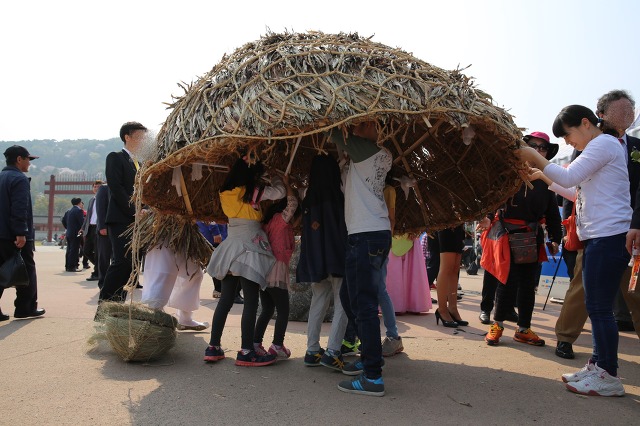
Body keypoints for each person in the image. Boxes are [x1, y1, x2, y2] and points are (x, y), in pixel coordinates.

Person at [517, 105, 630, 397]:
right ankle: (599, 366)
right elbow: (574, 189)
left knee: (600, 309)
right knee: (596, 307)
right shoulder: (602, 146)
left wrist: (534, 156)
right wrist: (542, 176)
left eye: (567, 136)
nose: (569, 143)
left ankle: (608, 374)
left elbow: (568, 178)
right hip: (600, 236)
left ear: (584, 123)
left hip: (608, 236)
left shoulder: (603, 143)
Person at [555, 90, 640, 360]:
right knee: (586, 291)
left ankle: (603, 367)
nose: (628, 114)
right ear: (599, 115)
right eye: (621, 109)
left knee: (633, 291)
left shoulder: (633, 146)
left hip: (625, 227)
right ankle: (567, 338)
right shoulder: (591, 146)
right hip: (597, 230)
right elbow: (576, 184)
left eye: (631, 109)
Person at [479, 131, 562, 347]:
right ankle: (496, 325)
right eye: (533, 145)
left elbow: (553, 212)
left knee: (527, 285)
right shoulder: (508, 174)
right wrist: (487, 218)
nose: (537, 150)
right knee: (505, 281)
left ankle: (524, 328)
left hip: (532, 237)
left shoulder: (545, 180)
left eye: (542, 147)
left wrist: (555, 238)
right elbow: (493, 200)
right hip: (507, 236)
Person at [204, 156, 286, 367]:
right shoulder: (253, 190)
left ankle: (213, 346)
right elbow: (280, 192)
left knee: (226, 299)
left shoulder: (225, 192)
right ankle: (247, 351)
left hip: (230, 246)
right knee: (251, 301)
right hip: (250, 248)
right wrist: (276, 176)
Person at [330, 122, 391, 397]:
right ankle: (370, 355)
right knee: (348, 296)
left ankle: (373, 377)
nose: (354, 129)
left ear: (375, 129)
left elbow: (330, 129)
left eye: (362, 124)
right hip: (372, 233)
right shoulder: (372, 155)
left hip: (365, 235)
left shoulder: (367, 150)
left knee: (363, 304)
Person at [297, 154, 349, 371]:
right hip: (336, 257)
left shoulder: (308, 199)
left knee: (318, 301)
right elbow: (341, 230)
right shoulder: (337, 197)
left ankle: (312, 350)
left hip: (316, 259)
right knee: (342, 304)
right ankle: (333, 351)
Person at [99, 122, 147, 303]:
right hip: (121, 218)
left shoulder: (139, 162)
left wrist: (145, 209)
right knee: (121, 262)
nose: (144, 141)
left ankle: (117, 305)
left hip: (138, 220)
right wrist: (134, 210)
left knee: (131, 265)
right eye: (140, 137)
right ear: (127, 137)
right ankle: (105, 305)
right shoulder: (115, 157)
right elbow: (116, 188)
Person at [254, 175, 299, 359]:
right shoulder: (281, 220)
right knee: (283, 310)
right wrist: (288, 185)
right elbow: (292, 204)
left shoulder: (269, 222)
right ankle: (277, 345)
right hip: (276, 270)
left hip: (265, 270)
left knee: (267, 309)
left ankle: (256, 343)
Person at [141, 214, 210, 331]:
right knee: (163, 272)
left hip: (186, 232)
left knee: (194, 274)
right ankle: (155, 316)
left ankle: (185, 318)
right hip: (164, 231)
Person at [0, 145, 45, 320]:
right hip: (13, 235)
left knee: (2, 271)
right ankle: (25, 307)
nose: (29, 164)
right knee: (26, 270)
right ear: (19, 159)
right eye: (28, 160)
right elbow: (20, 208)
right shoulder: (19, 179)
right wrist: (21, 232)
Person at [433, 224, 467, 327]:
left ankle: (453, 308)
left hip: (459, 224)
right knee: (446, 267)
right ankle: (442, 309)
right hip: (445, 222)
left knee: (455, 268)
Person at [81, 180, 103, 281]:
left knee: (98, 251)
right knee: (86, 251)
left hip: (99, 228)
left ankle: (97, 272)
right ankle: (102, 267)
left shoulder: (105, 198)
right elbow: (88, 216)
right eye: (95, 186)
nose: (96, 188)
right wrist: (83, 227)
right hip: (90, 228)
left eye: (99, 186)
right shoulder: (91, 200)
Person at [94, 183, 112, 290]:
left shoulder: (123, 187)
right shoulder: (104, 189)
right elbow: (100, 208)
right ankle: (103, 282)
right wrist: (102, 226)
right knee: (104, 257)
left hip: (118, 228)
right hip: (105, 229)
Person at [63, 198, 85, 272]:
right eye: (81, 203)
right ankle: (72, 267)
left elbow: (63, 220)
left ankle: (67, 265)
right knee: (74, 250)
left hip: (69, 232)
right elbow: (82, 222)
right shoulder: (78, 211)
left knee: (69, 250)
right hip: (76, 233)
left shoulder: (69, 211)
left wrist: (68, 227)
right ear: (79, 203)